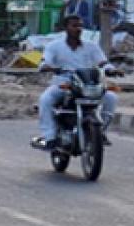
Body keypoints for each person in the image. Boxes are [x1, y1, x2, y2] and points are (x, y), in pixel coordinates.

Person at [33, 15, 118, 150]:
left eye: (80, 26)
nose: (78, 29)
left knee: (111, 98)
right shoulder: (54, 46)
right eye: (74, 26)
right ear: (66, 28)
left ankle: (100, 131)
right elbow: (45, 62)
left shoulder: (91, 46)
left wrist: (111, 70)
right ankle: (50, 137)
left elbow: (103, 62)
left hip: (87, 83)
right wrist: (48, 67)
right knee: (45, 99)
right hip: (63, 84)